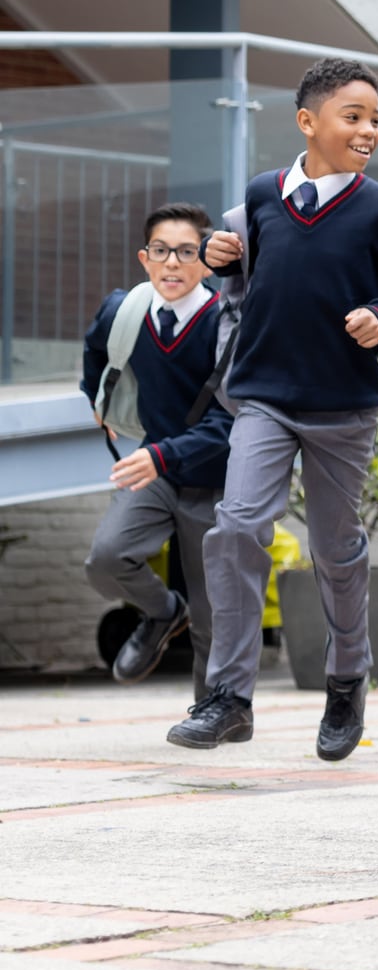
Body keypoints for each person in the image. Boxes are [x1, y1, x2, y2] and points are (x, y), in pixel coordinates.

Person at [178, 58, 378, 760]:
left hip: (343, 408)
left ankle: (347, 680)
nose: (368, 130)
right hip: (263, 396)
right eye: (353, 116)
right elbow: (241, 271)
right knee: (236, 528)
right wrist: (216, 251)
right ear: (308, 122)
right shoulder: (264, 195)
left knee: (334, 550)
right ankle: (228, 698)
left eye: (375, 120)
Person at [81, 203, 233, 700]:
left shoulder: (228, 326)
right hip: (157, 470)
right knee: (106, 558)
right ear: (144, 258)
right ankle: (165, 613)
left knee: (211, 610)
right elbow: (95, 349)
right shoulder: (123, 311)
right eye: (162, 251)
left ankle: (211, 710)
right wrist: (95, 398)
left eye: (187, 252)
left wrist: (162, 456)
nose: (172, 263)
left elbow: (234, 422)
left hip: (217, 478)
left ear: (208, 261)